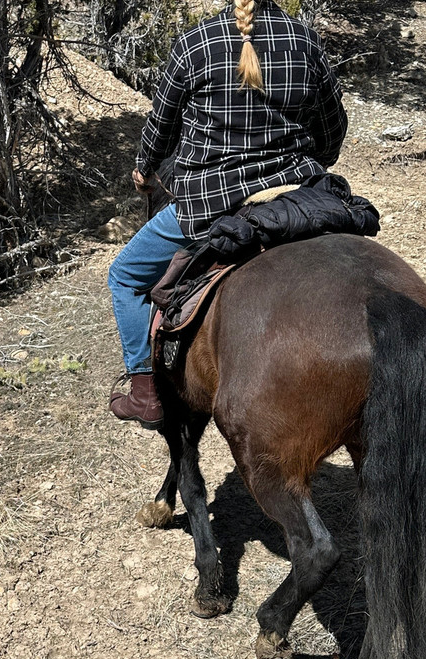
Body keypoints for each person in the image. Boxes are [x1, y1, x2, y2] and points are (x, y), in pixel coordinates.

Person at [108, 0, 348, 428]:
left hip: (210, 203)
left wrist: (144, 168)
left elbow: (161, 126)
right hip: (292, 195)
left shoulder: (194, 42)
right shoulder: (304, 40)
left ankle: (144, 392)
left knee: (124, 276)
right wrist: (314, 160)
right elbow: (332, 127)